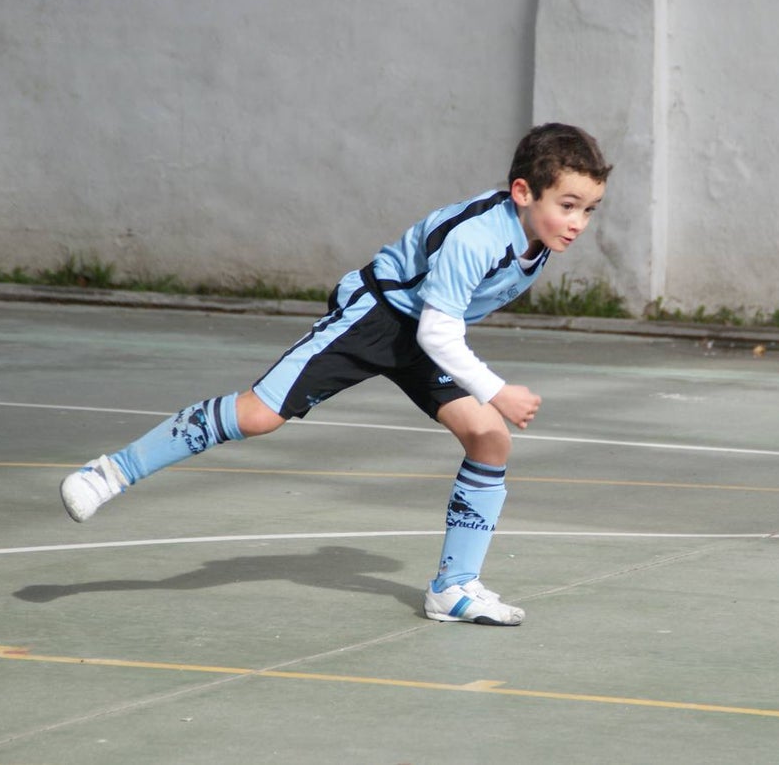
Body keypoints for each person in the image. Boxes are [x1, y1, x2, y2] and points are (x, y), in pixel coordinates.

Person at [59, 122, 612, 626]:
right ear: (523, 192)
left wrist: (486, 396)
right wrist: (497, 390)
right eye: (568, 206)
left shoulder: (537, 237)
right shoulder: (478, 238)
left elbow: (439, 329)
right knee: (257, 416)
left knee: (489, 438)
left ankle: (453, 587)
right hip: (376, 316)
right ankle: (111, 471)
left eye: (589, 210)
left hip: (425, 331)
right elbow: (439, 333)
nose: (578, 223)